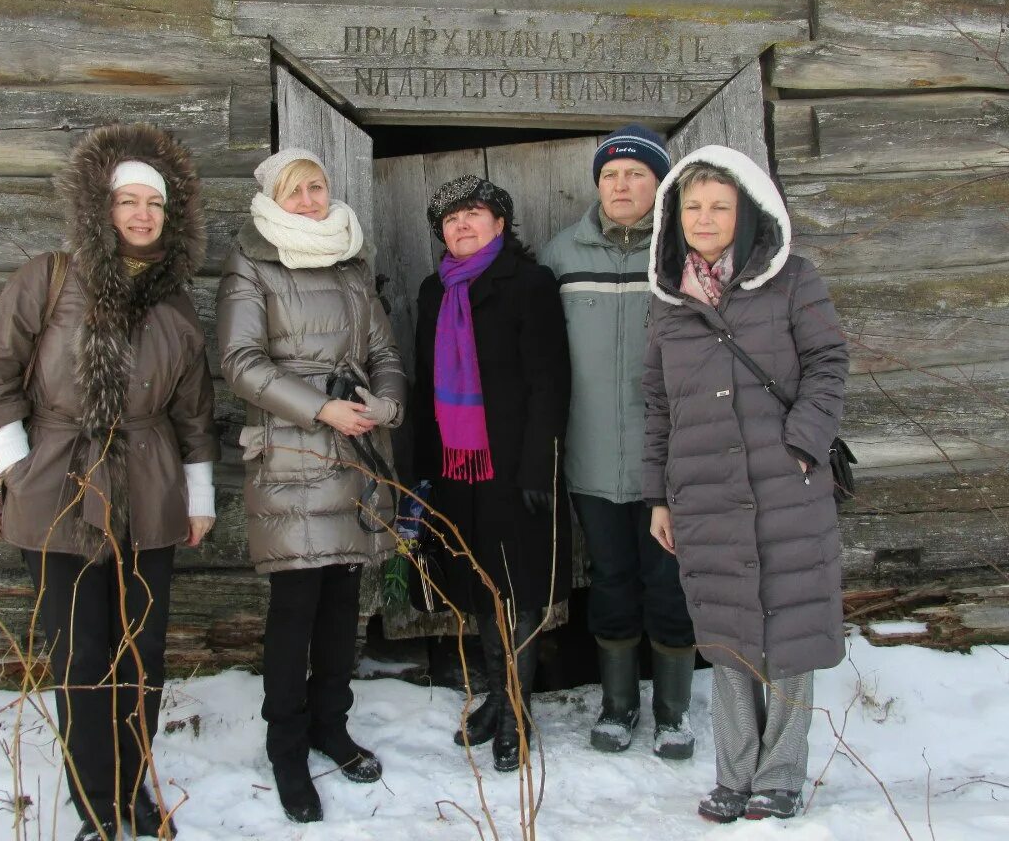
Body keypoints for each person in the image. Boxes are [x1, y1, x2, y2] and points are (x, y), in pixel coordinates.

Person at [0, 124, 219, 841]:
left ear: (172, 218)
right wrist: (22, 467)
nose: (141, 215)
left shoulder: (176, 305)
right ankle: (94, 804)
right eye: (127, 200)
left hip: (150, 494)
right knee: (80, 656)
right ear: (98, 207)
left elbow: (194, 412)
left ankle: (134, 790)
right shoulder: (47, 278)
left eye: (155, 205)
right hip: (58, 491)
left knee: (140, 654)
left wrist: (198, 497)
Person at [641, 145, 848, 823]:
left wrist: (801, 445)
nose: (704, 218)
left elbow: (827, 361)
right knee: (727, 633)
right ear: (675, 217)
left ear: (746, 213)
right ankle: (735, 774)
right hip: (703, 490)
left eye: (719, 207)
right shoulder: (670, 301)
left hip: (787, 482)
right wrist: (660, 497)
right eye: (693, 207)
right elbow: (658, 403)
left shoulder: (793, 280)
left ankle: (780, 774)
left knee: (790, 625)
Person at [216, 148, 405, 824]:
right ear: (274, 197)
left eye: (317, 186)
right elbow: (239, 362)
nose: (309, 199)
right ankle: (287, 745)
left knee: (342, 603)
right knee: (296, 608)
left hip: (356, 452)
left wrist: (385, 405)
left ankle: (332, 724)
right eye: (295, 190)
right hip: (294, 456)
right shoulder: (252, 261)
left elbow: (383, 354)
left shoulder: (350, 260)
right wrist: (319, 408)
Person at [540, 124, 697, 759]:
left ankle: (673, 711)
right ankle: (616, 705)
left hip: (674, 463)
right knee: (610, 579)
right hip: (593, 457)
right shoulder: (561, 256)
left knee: (670, 584)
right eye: (610, 174)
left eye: (635, 173)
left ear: (659, 184)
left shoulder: (685, 256)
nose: (621, 184)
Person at [411, 175, 571, 773]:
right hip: (458, 469)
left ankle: (516, 711)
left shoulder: (530, 285)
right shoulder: (434, 291)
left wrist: (538, 465)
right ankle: (497, 697)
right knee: (478, 584)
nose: (462, 226)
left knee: (518, 588)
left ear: (500, 224)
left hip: (513, 469)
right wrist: (425, 472)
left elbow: (549, 381)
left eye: (474, 214)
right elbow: (428, 383)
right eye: (450, 220)